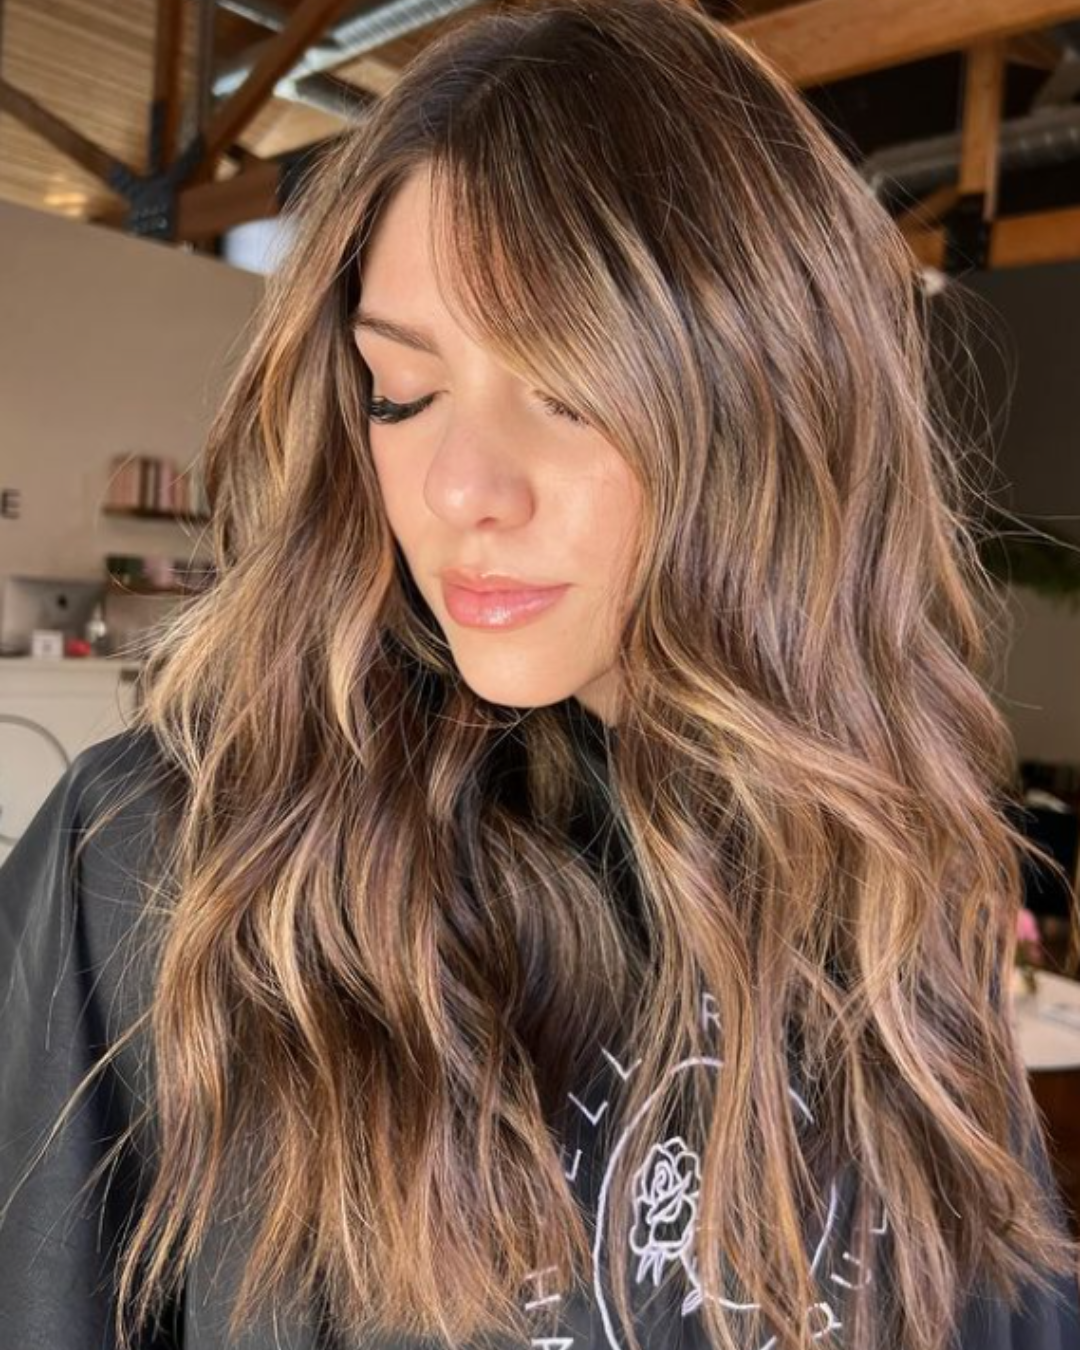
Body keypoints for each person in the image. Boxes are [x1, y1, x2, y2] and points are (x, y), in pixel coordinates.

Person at [2, 1, 1079, 1348]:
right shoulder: (160, 869)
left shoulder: (882, 884)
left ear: (770, 408)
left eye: (567, 389)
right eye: (401, 393)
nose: (459, 487)